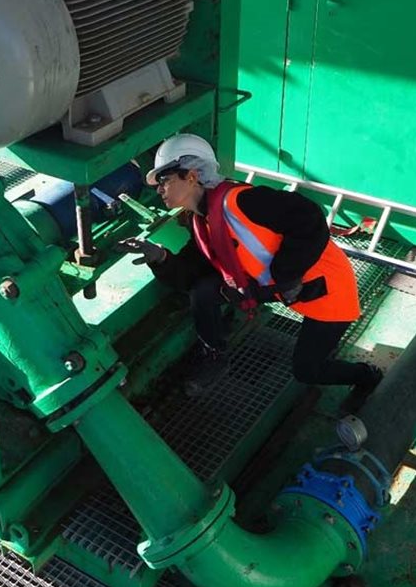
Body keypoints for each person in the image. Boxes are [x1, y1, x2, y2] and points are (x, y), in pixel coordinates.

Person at [118, 133, 383, 411]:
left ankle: (366, 375)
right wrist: (158, 256)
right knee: (204, 291)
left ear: (192, 176)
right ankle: (215, 356)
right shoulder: (202, 222)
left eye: (165, 180)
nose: (159, 189)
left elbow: (309, 218)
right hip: (281, 289)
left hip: (325, 291)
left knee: (307, 370)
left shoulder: (242, 202)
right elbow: (190, 275)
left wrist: (286, 275)